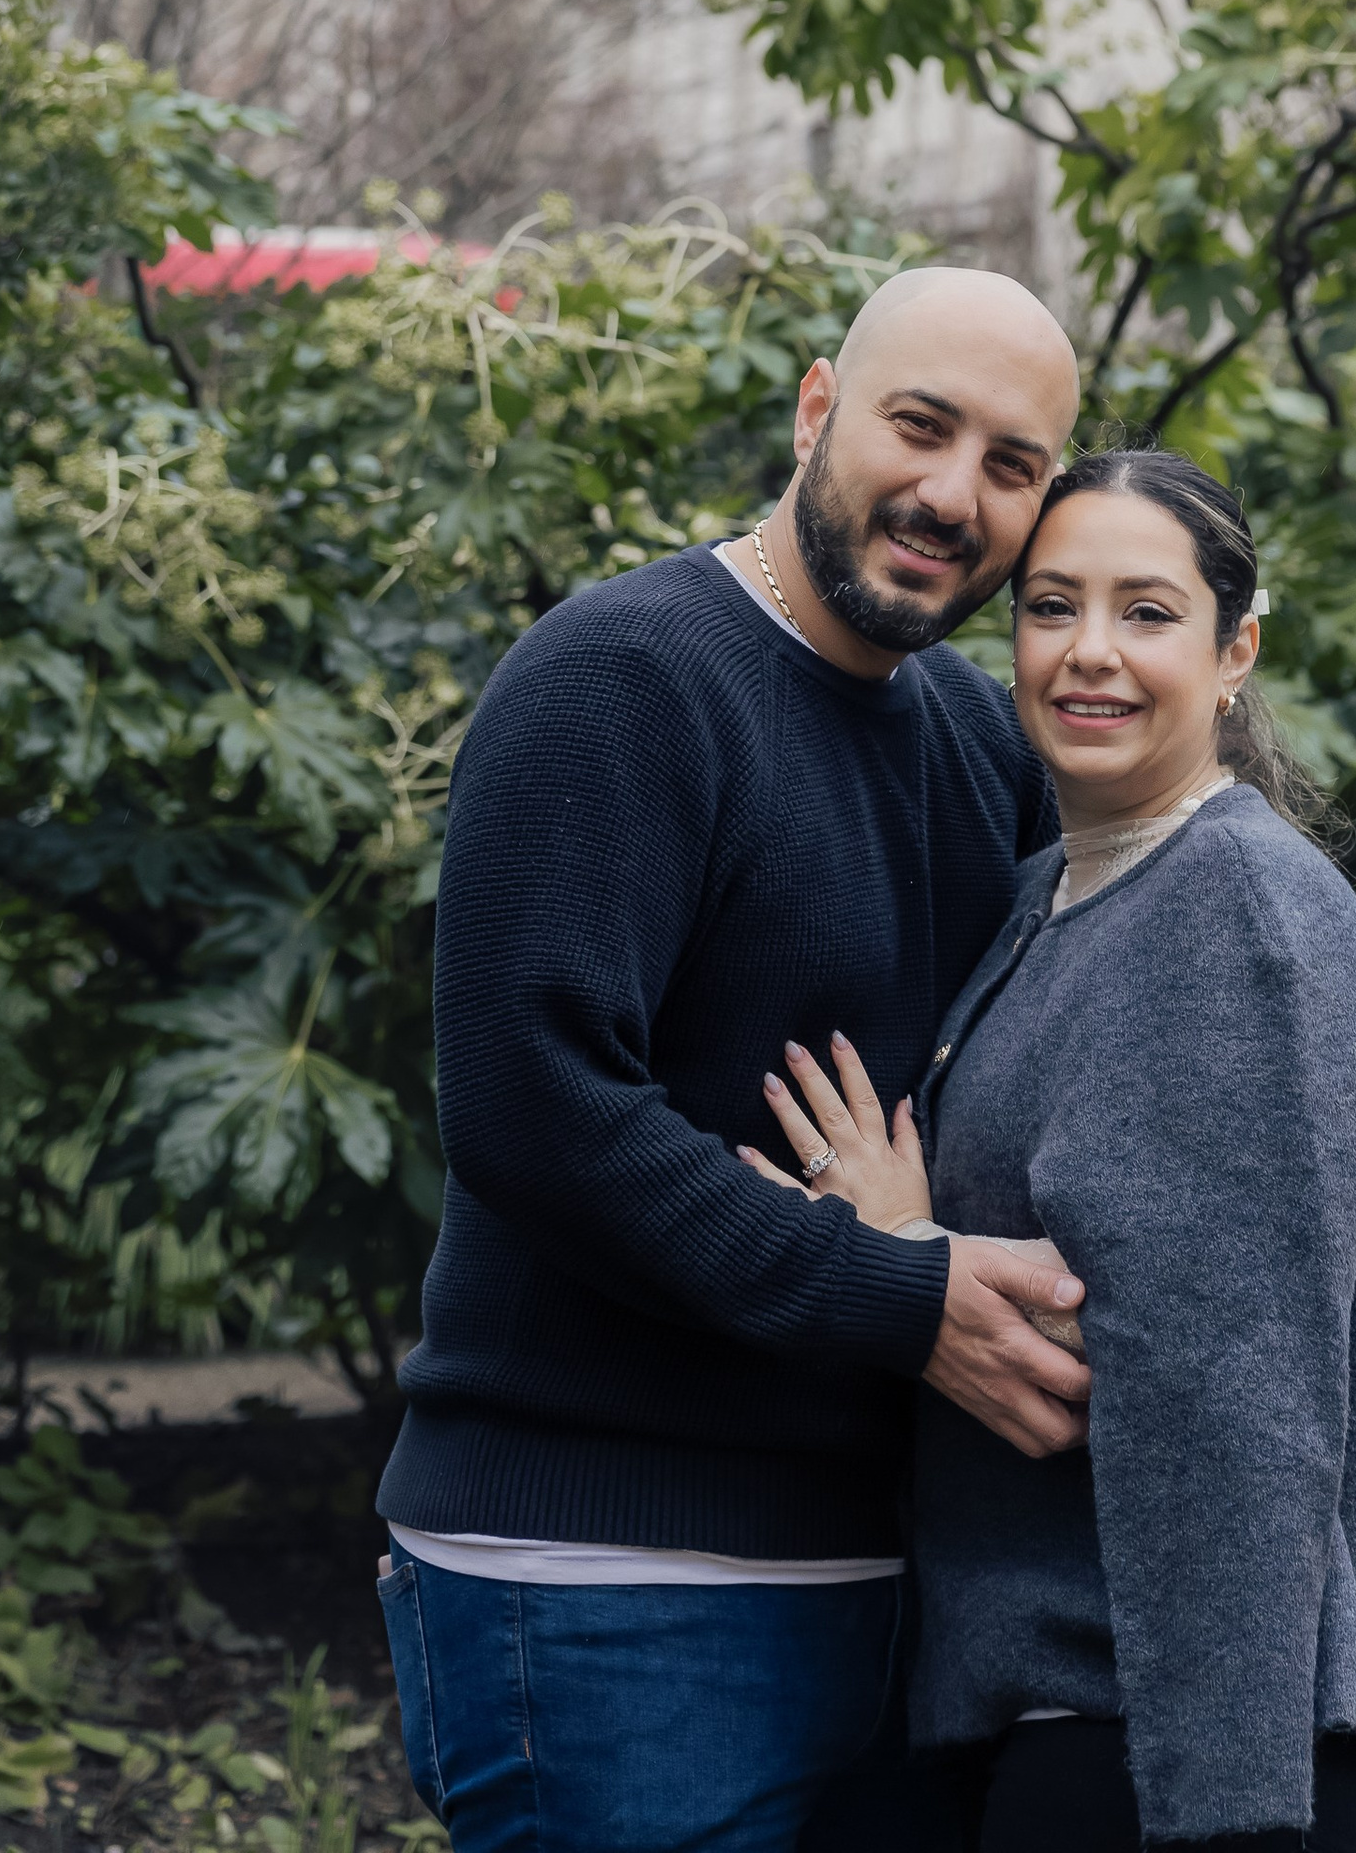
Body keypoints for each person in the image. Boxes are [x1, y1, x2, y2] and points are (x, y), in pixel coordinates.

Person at [373, 266, 1101, 1853]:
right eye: (920, 426)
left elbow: (1154, 920)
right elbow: (533, 1106)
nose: (950, 493)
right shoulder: (621, 682)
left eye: (1010, 464)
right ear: (817, 406)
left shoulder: (976, 744)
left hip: (892, 1584)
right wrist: (896, 1293)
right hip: (606, 1589)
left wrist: (1347, 1023)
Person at [745, 447, 1356, 1853]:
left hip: (1197, 1739)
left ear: (1234, 648)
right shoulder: (1061, 889)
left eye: (1146, 613)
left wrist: (902, 1254)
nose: (1089, 653)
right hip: (1082, 1703)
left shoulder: (1237, 907)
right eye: (1050, 605)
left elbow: (1224, 1390)